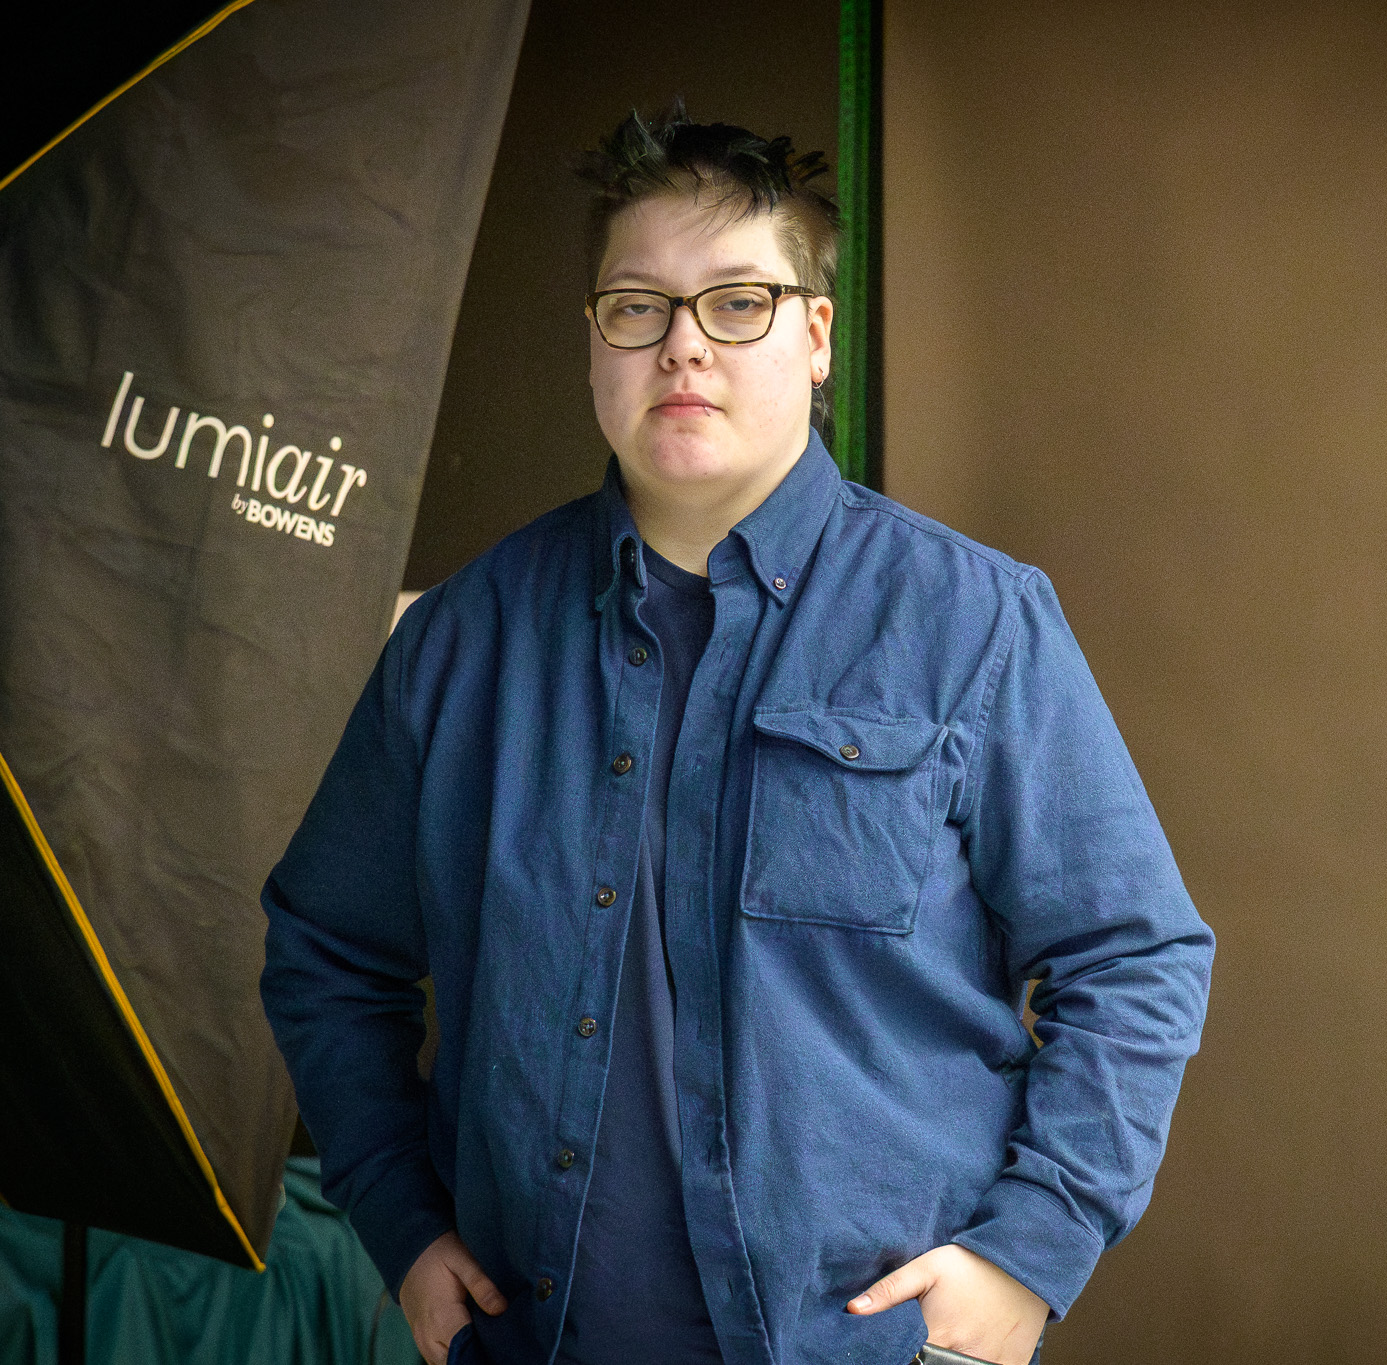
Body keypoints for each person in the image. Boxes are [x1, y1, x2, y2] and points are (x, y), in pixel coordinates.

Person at [259, 103, 1214, 1365]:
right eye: (636, 306)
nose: (682, 346)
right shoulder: (461, 640)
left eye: (737, 302)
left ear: (814, 337)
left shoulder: (971, 620)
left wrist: (1029, 1248)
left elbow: (1133, 954)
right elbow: (326, 951)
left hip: (870, 1350)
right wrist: (399, 1223)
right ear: (592, 341)